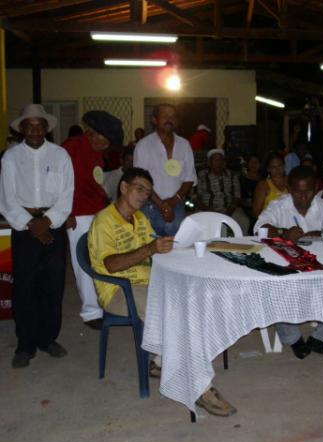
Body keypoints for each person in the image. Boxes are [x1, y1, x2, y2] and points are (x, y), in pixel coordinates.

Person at [88, 167, 236, 416]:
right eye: (139, 189)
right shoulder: (104, 221)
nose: (145, 196)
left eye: (148, 191)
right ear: (123, 187)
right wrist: (149, 249)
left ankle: (159, 362)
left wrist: (172, 246)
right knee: (177, 314)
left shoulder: (140, 218)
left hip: (149, 283)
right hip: (119, 290)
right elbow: (110, 265)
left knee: (197, 299)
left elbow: (152, 247)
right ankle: (200, 388)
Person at [0, 104, 74, 368]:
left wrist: (46, 222)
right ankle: (25, 345)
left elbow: (66, 197)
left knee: (52, 287)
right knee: (25, 289)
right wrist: (32, 224)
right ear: (22, 129)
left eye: (38, 125)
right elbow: (6, 200)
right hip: (23, 229)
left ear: (46, 128)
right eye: (28, 125)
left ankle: (47, 339)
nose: (34, 130)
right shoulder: (10, 158)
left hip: (52, 227)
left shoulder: (60, 155)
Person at [254, 165, 323, 359]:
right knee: (275, 285)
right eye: (297, 192)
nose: (303, 197)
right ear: (290, 189)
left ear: (315, 188)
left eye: (308, 191)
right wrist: (284, 232)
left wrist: (316, 234)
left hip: (319, 264)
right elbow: (259, 228)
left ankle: (322, 338)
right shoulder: (279, 205)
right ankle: (293, 338)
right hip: (287, 263)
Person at [62, 110, 123, 330]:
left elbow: (94, 183)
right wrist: (66, 213)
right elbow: (60, 183)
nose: (105, 145)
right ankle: (91, 312)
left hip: (96, 212)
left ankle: (103, 303)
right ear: (92, 133)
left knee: (100, 260)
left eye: (108, 142)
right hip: (77, 214)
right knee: (83, 264)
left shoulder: (97, 152)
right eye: (103, 140)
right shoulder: (71, 148)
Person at [134, 103, 196, 236]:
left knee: (175, 243)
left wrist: (172, 202)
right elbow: (140, 181)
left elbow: (189, 178)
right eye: (165, 116)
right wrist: (161, 204)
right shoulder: (143, 145)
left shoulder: (184, 145)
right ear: (154, 120)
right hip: (149, 203)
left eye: (173, 116)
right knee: (150, 245)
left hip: (177, 203)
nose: (170, 119)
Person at [196, 148, 249, 234]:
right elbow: (195, 197)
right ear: (209, 163)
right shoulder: (201, 175)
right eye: (215, 160)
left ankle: (241, 244)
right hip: (207, 209)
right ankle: (220, 246)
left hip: (230, 208)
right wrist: (208, 210)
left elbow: (237, 195)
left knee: (244, 220)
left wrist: (229, 210)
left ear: (224, 162)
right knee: (221, 226)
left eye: (221, 160)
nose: (218, 163)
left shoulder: (232, 175)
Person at [251, 152, 288, 219]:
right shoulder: (263, 185)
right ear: (268, 169)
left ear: (284, 165)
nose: (278, 169)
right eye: (274, 167)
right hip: (270, 223)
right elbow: (255, 212)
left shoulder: (291, 182)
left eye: (280, 165)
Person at [239, 154, 262, 229]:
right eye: (251, 162)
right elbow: (237, 196)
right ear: (247, 164)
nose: (253, 165)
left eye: (256, 162)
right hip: (245, 207)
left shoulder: (264, 180)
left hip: (260, 207)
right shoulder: (241, 178)